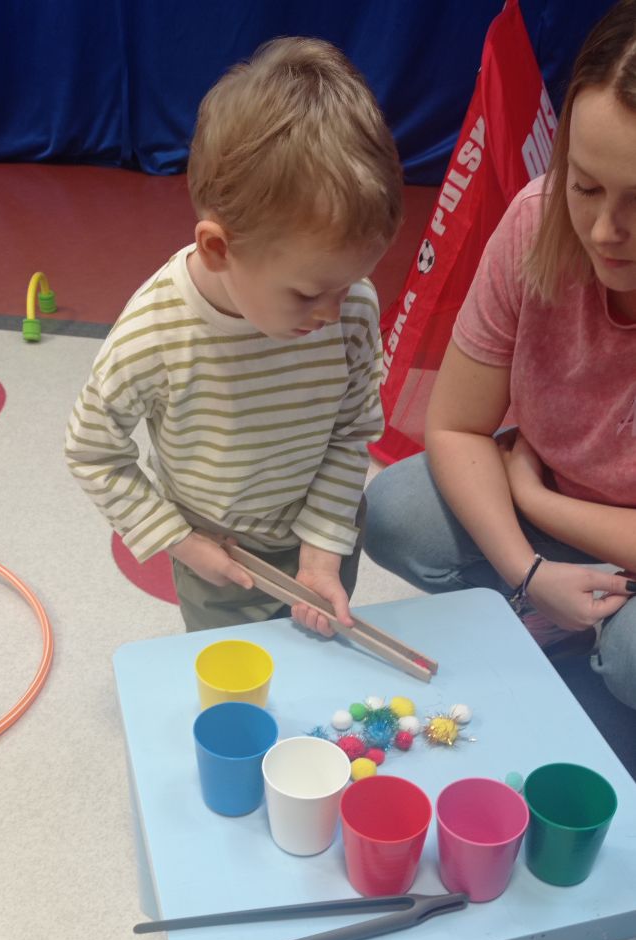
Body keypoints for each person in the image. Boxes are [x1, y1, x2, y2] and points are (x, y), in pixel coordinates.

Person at [65, 37, 402, 635]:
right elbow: (93, 451)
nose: (334, 312)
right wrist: (180, 541)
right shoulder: (152, 336)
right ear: (218, 249)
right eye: (308, 293)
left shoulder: (350, 307)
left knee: (319, 660)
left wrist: (323, 550)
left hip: (323, 532)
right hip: (218, 551)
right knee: (234, 670)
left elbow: (352, 431)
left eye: (350, 283)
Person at [364, 0, 636, 711]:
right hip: (556, 514)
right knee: (395, 510)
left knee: (632, 659)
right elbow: (456, 426)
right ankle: (562, 622)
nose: (604, 232)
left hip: (564, 505)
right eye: (584, 186)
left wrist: (536, 499)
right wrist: (527, 571)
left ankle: (597, 645)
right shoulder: (532, 225)